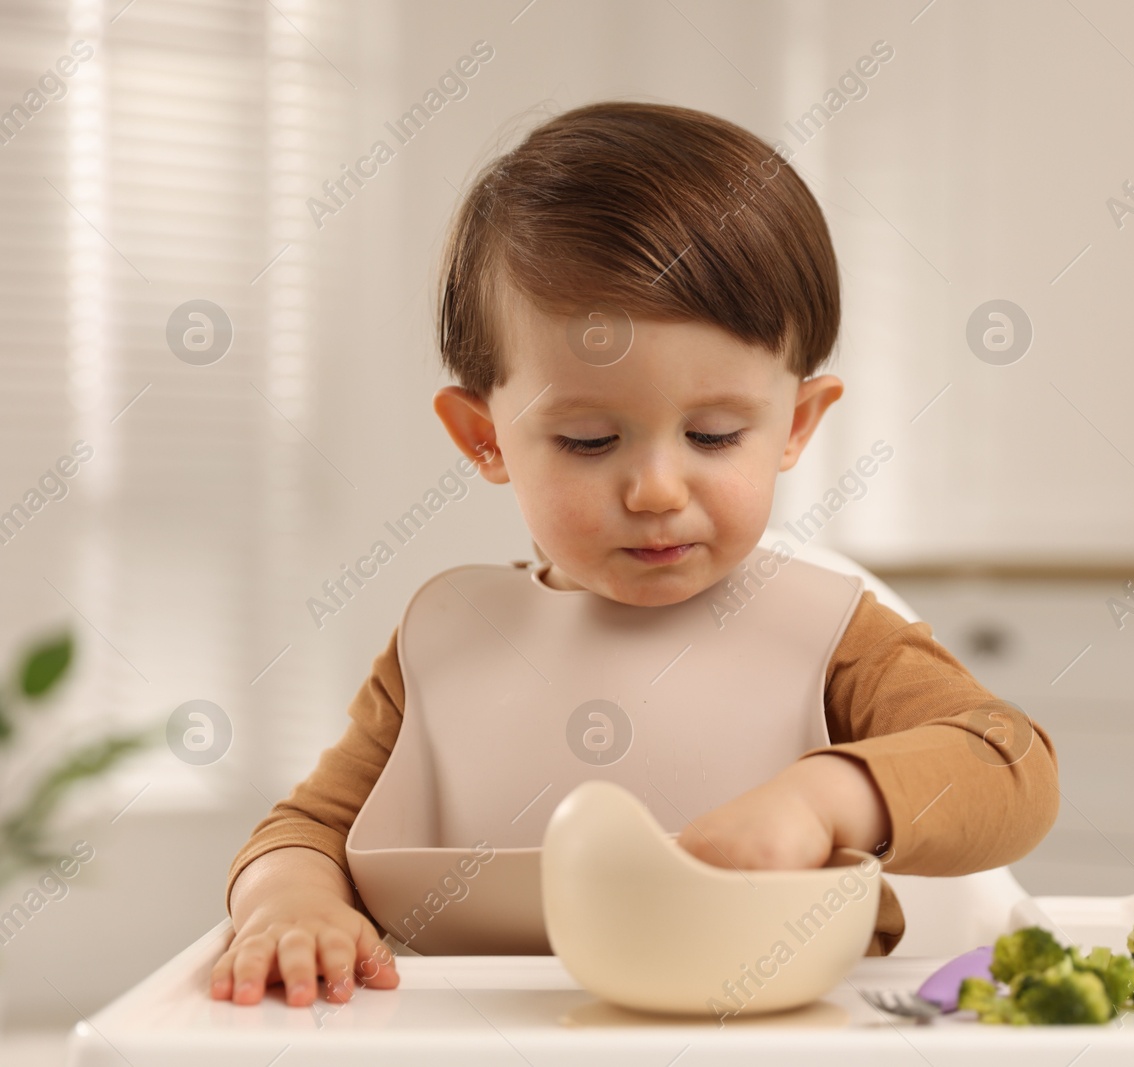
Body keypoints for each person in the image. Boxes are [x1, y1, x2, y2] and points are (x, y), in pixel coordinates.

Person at [211, 100, 1058, 1009]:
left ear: (796, 425)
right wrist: (290, 901)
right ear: (484, 438)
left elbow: (1011, 763)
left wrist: (824, 799)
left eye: (715, 433)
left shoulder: (832, 634)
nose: (656, 489)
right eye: (586, 439)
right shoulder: (446, 642)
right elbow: (309, 828)